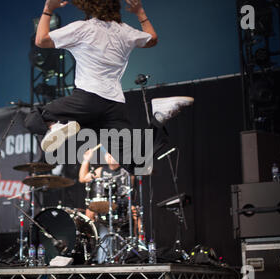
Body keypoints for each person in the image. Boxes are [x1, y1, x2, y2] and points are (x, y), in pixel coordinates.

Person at [24, 0, 194, 174]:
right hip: (114, 106)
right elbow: (153, 39)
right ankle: (159, 117)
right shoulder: (125, 31)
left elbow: (41, 39)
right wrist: (140, 12)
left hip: (87, 99)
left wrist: (48, 9)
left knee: (32, 118)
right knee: (136, 163)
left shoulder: (83, 28)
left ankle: (55, 125)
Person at [79, 147, 142, 263]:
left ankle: (140, 244)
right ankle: (88, 244)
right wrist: (86, 160)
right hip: (105, 207)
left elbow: (145, 169)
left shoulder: (127, 170)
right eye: (107, 154)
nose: (109, 156)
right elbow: (82, 178)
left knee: (136, 211)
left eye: (112, 154)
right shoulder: (101, 170)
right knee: (90, 210)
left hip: (123, 206)